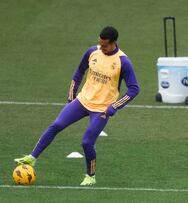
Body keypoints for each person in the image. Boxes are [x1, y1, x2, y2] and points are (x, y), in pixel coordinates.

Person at [14, 26, 140, 186]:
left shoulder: (123, 62)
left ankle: (91, 176)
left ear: (114, 43)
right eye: (99, 43)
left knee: (87, 142)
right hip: (82, 101)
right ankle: (32, 158)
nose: (101, 47)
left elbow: (134, 89)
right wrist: (71, 96)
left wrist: (114, 107)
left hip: (102, 109)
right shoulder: (92, 52)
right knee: (56, 125)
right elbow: (79, 72)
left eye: (105, 45)